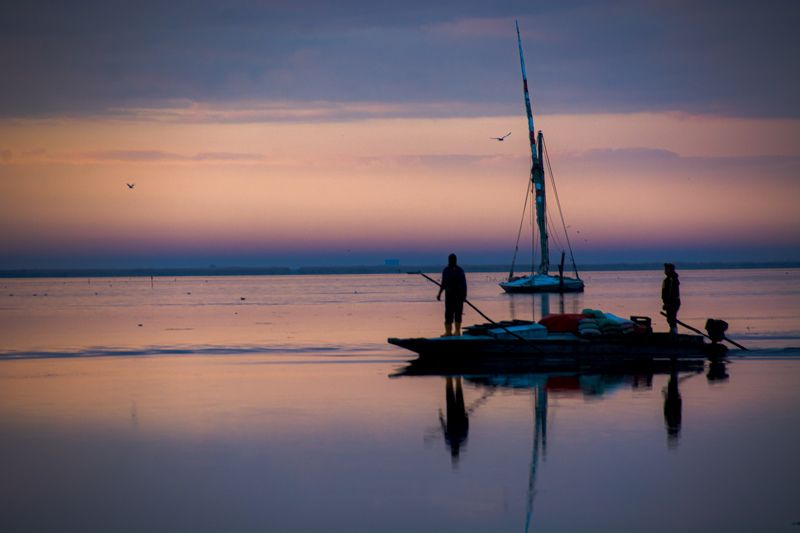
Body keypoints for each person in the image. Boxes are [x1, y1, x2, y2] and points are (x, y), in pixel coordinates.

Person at [437, 253, 467, 336]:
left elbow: (464, 284)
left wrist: (464, 296)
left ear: (456, 260)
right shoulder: (446, 270)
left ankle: (457, 331)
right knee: (448, 314)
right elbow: (443, 283)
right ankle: (448, 332)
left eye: (454, 259)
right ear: (449, 260)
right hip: (449, 296)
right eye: (451, 259)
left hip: (458, 296)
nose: (452, 261)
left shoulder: (460, 270)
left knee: (458, 313)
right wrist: (439, 294)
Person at [661, 263, 680, 334]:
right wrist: (665, 302)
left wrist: (668, 303)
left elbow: (670, 293)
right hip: (670, 302)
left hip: (673, 302)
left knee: (671, 318)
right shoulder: (668, 279)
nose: (665, 271)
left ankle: (674, 332)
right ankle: (673, 331)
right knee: (670, 318)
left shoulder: (671, 279)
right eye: (665, 269)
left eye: (666, 269)